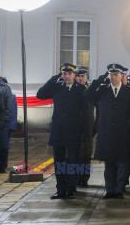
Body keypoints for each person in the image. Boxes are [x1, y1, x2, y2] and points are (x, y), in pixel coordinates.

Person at [37, 63, 89, 200]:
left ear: (74, 75)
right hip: (58, 131)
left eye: (69, 74)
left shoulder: (81, 89)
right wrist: (52, 79)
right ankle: (60, 189)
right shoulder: (57, 87)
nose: (67, 76)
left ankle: (71, 189)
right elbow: (40, 95)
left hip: (74, 131)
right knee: (59, 162)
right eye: (64, 74)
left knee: (73, 162)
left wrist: (84, 132)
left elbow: (86, 113)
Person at [85, 64, 130, 199]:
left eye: (116, 74)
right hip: (107, 133)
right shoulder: (103, 90)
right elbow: (87, 94)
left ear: (121, 76)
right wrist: (99, 79)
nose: (113, 77)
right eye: (111, 74)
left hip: (122, 133)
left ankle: (119, 190)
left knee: (121, 163)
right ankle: (110, 190)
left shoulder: (129, 91)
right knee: (109, 164)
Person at [75, 67, 99, 187]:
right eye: (78, 76)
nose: (80, 78)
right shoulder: (72, 89)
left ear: (86, 77)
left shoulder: (91, 90)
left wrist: (95, 127)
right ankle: (73, 178)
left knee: (85, 154)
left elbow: (98, 109)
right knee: (73, 155)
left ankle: (84, 178)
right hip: (74, 128)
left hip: (88, 127)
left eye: (82, 76)